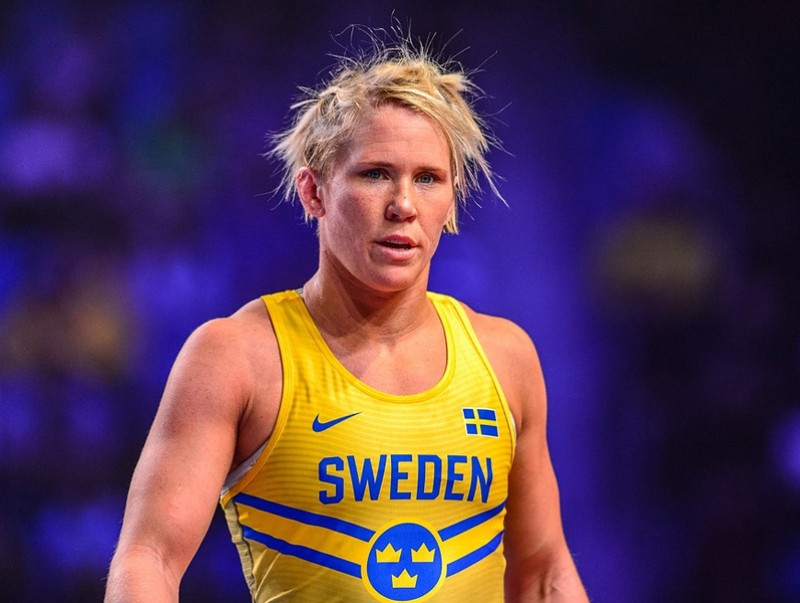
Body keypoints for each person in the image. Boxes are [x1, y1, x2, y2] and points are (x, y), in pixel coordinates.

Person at [105, 32, 589, 603]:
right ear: (314, 191)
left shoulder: (506, 357)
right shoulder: (237, 357)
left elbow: (543, 573)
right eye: (375, 173)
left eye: (427, 178)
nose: (403, 205)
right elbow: (149, 558)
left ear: (452, 199)